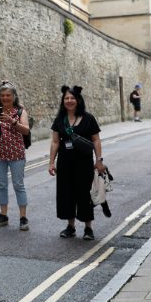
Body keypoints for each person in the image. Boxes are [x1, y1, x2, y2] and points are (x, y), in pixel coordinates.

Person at [47, 86, 105, 240]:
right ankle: (70, 227)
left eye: (72, 98)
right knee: (66, 194)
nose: (69, 101)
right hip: (65, 163)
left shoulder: (88, 118)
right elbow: (55, 142)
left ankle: (88, 228)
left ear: (78, 100)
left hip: (84, 163)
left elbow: (96, 140)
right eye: (66, 98)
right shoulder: (60, 119)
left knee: (84, 194)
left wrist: (99, 160)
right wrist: (51, 162)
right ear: (63, 101)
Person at [0, 81, 31, 231]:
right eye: (2, 95)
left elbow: (26, 130)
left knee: (18, 185)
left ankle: (23, 217)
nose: (5, 98)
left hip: (16, 154)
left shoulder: (20, 111)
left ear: (14, 96)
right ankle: (3, 215)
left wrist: (12, 121)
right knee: (2, 185)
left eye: (8, 95)